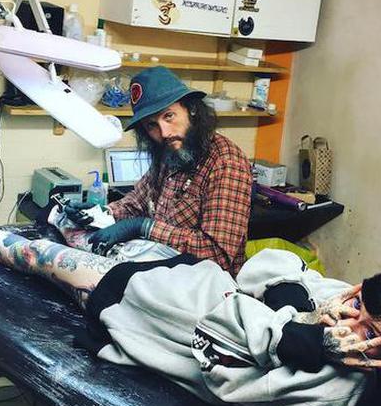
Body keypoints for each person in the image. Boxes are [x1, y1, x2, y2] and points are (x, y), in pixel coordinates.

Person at [0, 193, 381, 406]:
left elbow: (222, 364)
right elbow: (270, 265)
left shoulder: (330, 392)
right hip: (181, 271)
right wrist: (299, 306)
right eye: (358, 302)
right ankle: (68, 222)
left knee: (27, 254)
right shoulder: (340, 302)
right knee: (88, 231)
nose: (349, 319)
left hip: (134, 301)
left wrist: (297, 340)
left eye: (371, 328)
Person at [65, 66, 253, 277]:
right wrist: (101, 213)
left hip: (208, 285)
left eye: (169, 116)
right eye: (152, 125)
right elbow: (136, 203)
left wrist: (144, 227)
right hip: (166, 271)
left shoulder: (226, 162)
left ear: (191, 109)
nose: (164, 133)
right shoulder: (169, 151)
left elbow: (217, 255)